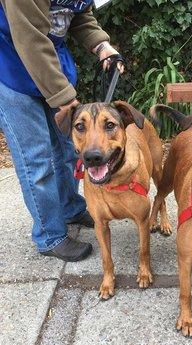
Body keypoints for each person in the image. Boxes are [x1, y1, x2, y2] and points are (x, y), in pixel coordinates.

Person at [0, 0, 124, 262]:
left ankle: (70, 207)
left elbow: (78, 14)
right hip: (12, 65)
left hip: (51, 65)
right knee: (36, 159)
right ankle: (49, 236)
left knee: (68, 149)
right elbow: (30, 40)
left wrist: (102, 45)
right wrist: (65, 98)